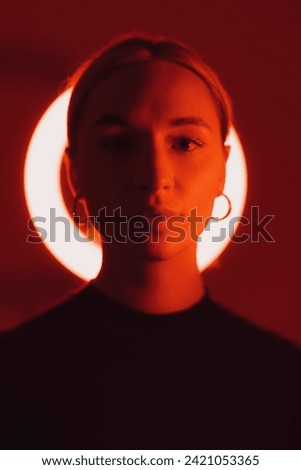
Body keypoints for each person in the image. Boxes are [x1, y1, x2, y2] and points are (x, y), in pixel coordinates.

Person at [0, 31, 300, 450]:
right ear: (73, 174)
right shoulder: (11, 378)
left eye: (185, 143)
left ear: (224, 170)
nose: (155, 176)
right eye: (119, 144)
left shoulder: (286, 386)